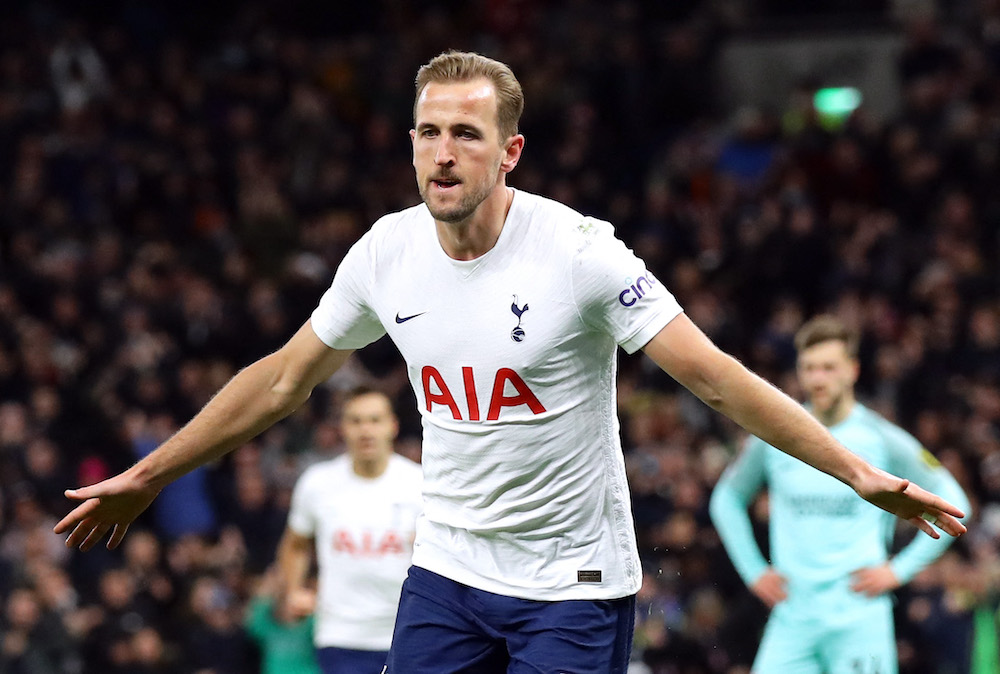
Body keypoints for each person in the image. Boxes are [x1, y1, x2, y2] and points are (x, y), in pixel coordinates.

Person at [55, 51, 966, 674]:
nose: (442, 154)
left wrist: (855, 473)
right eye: (426, 133)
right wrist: (147, 474)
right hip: (449, 569)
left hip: (572, 586)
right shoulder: (384, 253)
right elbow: (282, 379)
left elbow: (715, 376)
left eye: (466, 134)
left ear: (509, 151)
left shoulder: (580, 255)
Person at [709, 314, 972, 674]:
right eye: (810, 368)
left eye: (829, 367)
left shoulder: (881, 437)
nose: (818, 378)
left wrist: (898, 570)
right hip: (793, 615)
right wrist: (755, 572)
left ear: (853, 370)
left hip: (859, 617)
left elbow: (956, 500)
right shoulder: (775, 437)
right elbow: (726, 499)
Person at [276, 387, 421, 674]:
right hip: (340, 635)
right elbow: (296, 544)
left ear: (392, 426)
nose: (365, 430)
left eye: (374, 420)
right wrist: (294, 590)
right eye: (355, 421)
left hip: (406, 632)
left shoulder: (420, 485)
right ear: (342, 427)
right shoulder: (317, 483)